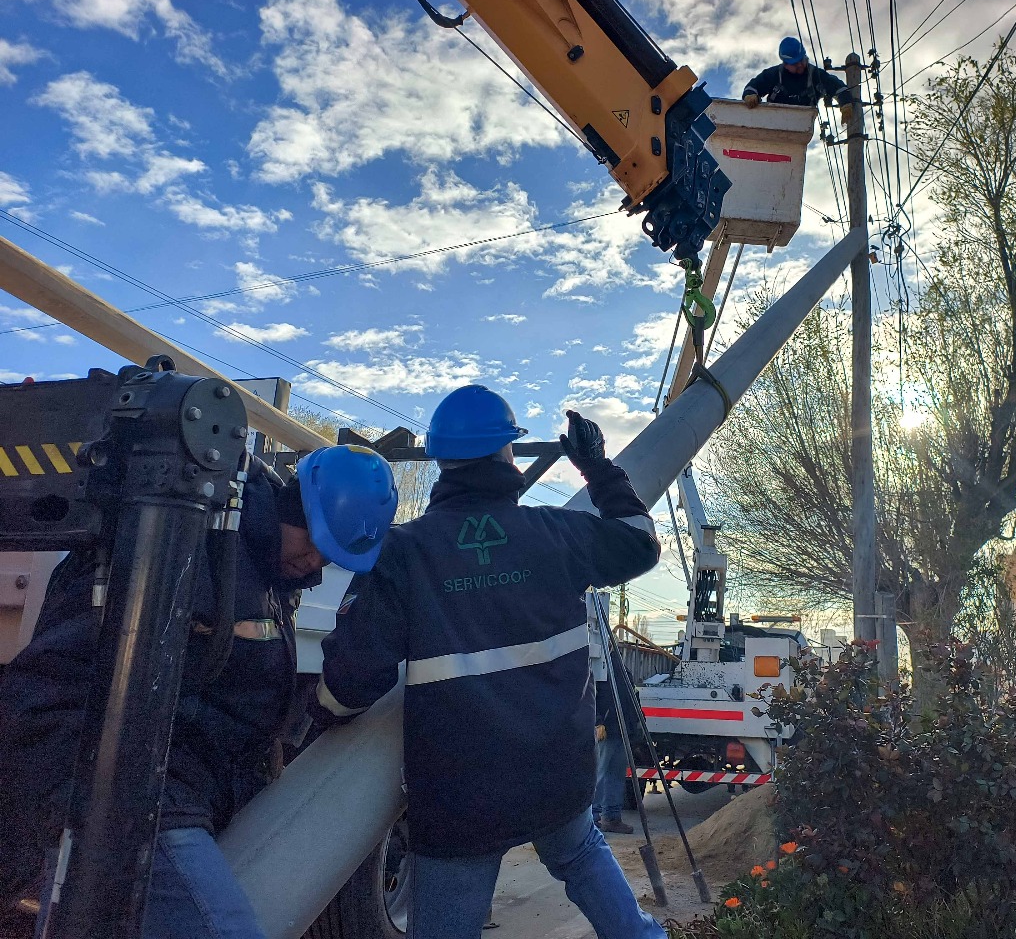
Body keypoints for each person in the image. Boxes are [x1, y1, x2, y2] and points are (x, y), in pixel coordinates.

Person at [0, 445, 398, 939]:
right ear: (293, 507)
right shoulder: (189, 544)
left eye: (331, 554)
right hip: (134, 786)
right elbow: (59, 675)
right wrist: (87, 788)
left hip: (172, 785)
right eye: (315, 541)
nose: (315, 561)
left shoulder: (262, 573)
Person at [312, 385, 666, 939]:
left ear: (440, 461)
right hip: (558, 778)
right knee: (579, 854)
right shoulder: (555, 535)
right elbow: (641, 543)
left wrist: (321, 712)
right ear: (507, 454)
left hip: (461, 802)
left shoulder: (406, 553)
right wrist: (597, 470)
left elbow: (354, 682)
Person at [742, 36, 856, 129]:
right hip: (773, 125)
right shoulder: (775, 75)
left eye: (801, 60)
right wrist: (750, 95)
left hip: (802, 127)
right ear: (785, 64)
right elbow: (753, 86)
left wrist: (845, 102)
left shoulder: (815, 75)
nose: (800, 65)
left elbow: (836, 86)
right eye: (795, 63)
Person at [594, 650, 637, 835]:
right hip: (607, 730)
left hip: (622, 730)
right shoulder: (598, 666)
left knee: (616, 775)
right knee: (599, 776)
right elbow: (590, 694)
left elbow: (630, 698)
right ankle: (593, 819)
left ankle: (612, 817)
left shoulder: (621, 668)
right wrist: (597, 721)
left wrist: (634, 724)